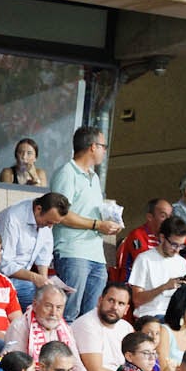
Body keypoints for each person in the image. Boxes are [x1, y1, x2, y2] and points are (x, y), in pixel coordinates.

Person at [49, 126, 125, 321]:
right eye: (103, 146)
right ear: (93, 147)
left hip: (96, 254)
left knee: (91, 317)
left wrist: (109, 221)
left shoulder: (95, 177)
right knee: (68, 313)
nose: (104, 151)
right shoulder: (67, 172)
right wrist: (97, 225)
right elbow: (60, 213)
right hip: (73, 251)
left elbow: (88, 212)